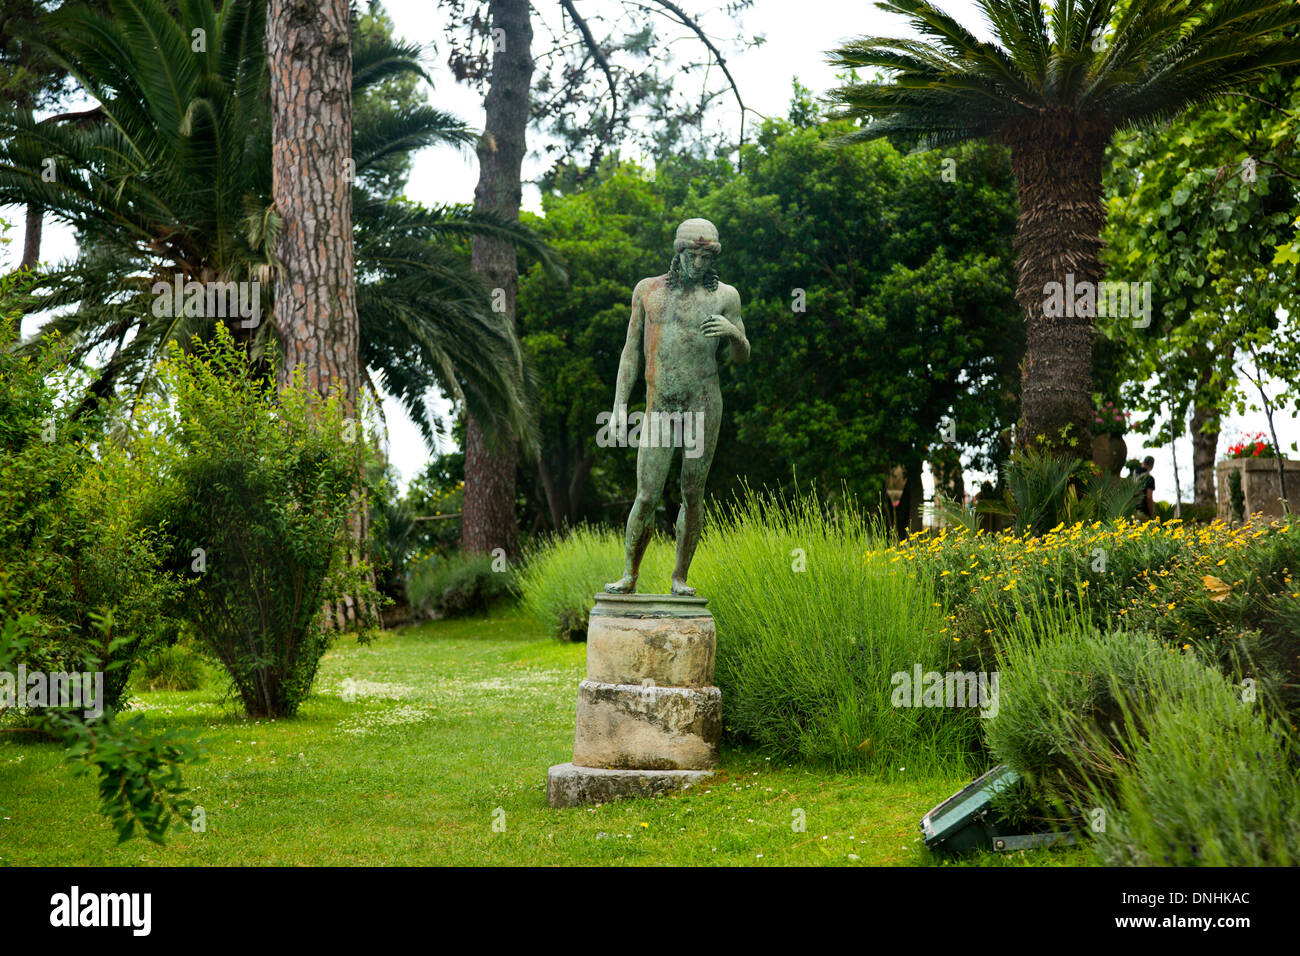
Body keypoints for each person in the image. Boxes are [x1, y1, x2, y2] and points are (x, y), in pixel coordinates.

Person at [604, 218, 750, 596]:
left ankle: (679, 577)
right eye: (692, 254)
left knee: (692, 493)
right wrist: (620, 404)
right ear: (678, 252)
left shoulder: (725, 296)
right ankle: (629, 575)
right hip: (660, 408)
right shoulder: (649, 292)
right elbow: (630, 353)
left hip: (702, 406)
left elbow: (742, 357)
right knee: (647, 494)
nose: (698, 263)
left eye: (706, 257)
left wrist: (735, 335)